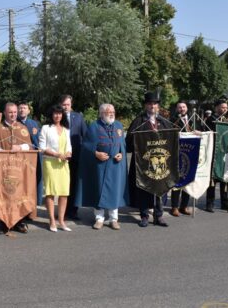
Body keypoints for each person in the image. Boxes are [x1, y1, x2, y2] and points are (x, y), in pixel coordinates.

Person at [76, 104, 128, 230]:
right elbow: (86, 145)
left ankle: (113, 219)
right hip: (100, 166)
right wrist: (96, 153)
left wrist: (121, 153)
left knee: (115, 192)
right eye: (108, 111)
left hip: (115, 165)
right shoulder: (94, 126)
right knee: (99, 191)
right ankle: (99, 219)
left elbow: (122, 144)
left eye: (113, 111)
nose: (111, 113)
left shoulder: (119, 126)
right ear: (101, 113)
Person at [127, 92, 174, 227]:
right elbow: (129, 141)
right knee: (143, 188)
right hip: (143, 163)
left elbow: (171, 141)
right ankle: (144, 215)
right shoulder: (138, 121)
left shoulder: (164, 122)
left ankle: (158, 216)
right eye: (149, 104)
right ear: (145, 105)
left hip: (160, 161)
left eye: (154, 104)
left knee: (160, 188)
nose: (152, 106)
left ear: (158, 106)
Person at [0, 102, 34, 233]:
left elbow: (30, 146)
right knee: (5, 194)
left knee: (18, 194)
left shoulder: (22, 128)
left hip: (20, 168)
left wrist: (19, 147)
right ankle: (4, 223)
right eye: (10, 112)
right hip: (3, 169)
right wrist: (0, 150)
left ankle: (19, 222)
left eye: (15, 112)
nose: (13, 115)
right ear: (5, 113)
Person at [39, 104, 72, 232]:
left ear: (62, 115)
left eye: (60, 113)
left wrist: (68, 154)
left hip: (63, 164)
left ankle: (61, 221)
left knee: (64, 193)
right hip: (50, 163)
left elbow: (69, 146)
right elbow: (42, 148)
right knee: (51, 192)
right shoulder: (46, 128)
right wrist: (57, 154)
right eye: (55, 113)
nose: (57, 115)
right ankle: (52, 220)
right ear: (51, 115)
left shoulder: (66, 129)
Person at [202, 99, 228, 213]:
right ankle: (209, 204)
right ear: (216, 108)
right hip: (214, 153)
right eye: (222, 107)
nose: (224, 110)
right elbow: (209, 132)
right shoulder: (210, 119)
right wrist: (226, 122)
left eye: (226, 108)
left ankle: (225, 203)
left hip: (226, 153)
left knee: (226, 179)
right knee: (213, 179)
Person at [60, 94, 87, 220]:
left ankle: (73, 211)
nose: (66, 107)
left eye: (68, 104)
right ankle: (62, 211)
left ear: (71, 104)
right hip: (61, 156)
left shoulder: (79, 117)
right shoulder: (57, 117)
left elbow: (85, 135)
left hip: (76, 156)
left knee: (75, 184)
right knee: (63, 184)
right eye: (64, 104)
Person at [17, 100, 43, 206]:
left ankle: (33, 205)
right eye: (20, 108)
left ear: (28, 111)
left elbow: (38, 141)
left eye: (24, 108)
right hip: (18, 158)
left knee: (32, 181)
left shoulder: (34, 124)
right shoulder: (14, 123)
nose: (22, 110)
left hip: (33, 158)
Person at [169, 100, 193, 217]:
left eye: (183, 107)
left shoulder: (194, 119)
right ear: (177, 109)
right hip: (177, 153)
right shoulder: (173, 120)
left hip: (191, 153)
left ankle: (184, 206)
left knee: (188, 180)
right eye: (179, 107)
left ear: (187, 108)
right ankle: (174, 207)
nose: (182, 109)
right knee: (177, 181)